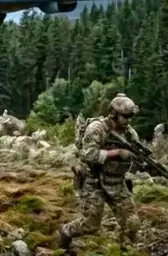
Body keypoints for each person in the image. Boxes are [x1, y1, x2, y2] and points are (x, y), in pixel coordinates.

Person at [60, 94, 141, 253]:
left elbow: (135, 157)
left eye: (131, 116)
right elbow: (88, 154)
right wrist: (116, 153)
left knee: (132, 223)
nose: (129, 120)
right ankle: (66, 231)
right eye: (125, 116)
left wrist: (142, 165)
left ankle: (125, 250)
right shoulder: (96, 128)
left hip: (116, 181)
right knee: (91, 225)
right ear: (114, 113)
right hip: (93, 180)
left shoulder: (130, 134)